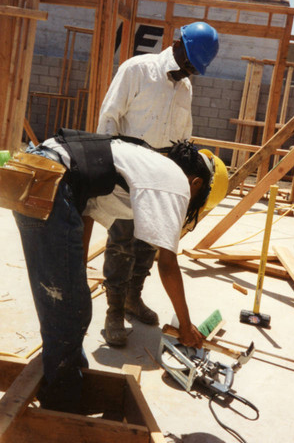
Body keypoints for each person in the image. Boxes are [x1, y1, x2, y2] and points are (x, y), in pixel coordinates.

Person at [11, 130, 228, 413]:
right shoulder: (177, 182)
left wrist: (73, 272)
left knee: (70, 306)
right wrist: (186, 327)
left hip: (38, 170)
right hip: (49, 177)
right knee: (70, 311)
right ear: (196, 182)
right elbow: (168, 265)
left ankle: (67, 394)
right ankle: (61, 411)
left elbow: (86, 210)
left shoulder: (143, 167)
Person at [97, 21, 220, 346]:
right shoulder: (137, 69)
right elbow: (109, 117)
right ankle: (113, 312)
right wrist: (106, 168)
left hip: (161, 174)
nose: (190, 71)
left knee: (147, 243)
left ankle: (132, 300)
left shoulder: (186, 87)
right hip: (126, 167)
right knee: (121, 241)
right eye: (189, 63)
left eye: (196, 68)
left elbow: (183, 135)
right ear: (178, 44)